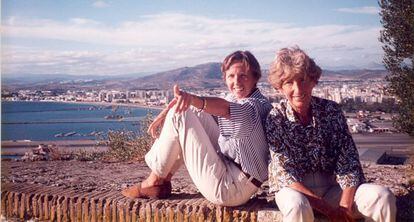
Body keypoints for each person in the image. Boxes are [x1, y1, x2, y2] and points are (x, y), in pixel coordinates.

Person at [122, 50, 272, 206]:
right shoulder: (239, 98)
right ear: (225, 78)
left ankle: (154, 181)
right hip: (233, 169)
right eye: (231, 76)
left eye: (243, 76)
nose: (237, 82)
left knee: (182, 114)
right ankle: (163, 180)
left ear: (255, 77)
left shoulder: (255, 106)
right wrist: (168, 111)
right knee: (188, 110)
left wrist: (192, 100)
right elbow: (207, 110)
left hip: (232, 189)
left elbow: (226, 109)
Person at [266, 46, 396, 222]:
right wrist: (329, 210)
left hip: (333, 187)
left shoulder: (331, 111)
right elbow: (284, 174)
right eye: (289, 82)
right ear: (280, 87)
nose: (298, 89)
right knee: (297, 206)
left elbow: (349, 161)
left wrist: (344, 206)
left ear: (313, 81)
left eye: (303, 80)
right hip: (295, 191)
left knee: (382, 197)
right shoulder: (276, 118)